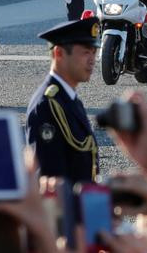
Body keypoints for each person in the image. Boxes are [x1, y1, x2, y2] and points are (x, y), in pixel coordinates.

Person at [26, 17, 100, 183]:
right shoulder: (47, 105)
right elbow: (47, 178)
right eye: (85, 52)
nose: (92, 60)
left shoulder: (69, 98)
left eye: (94, 52)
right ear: (59, 53)